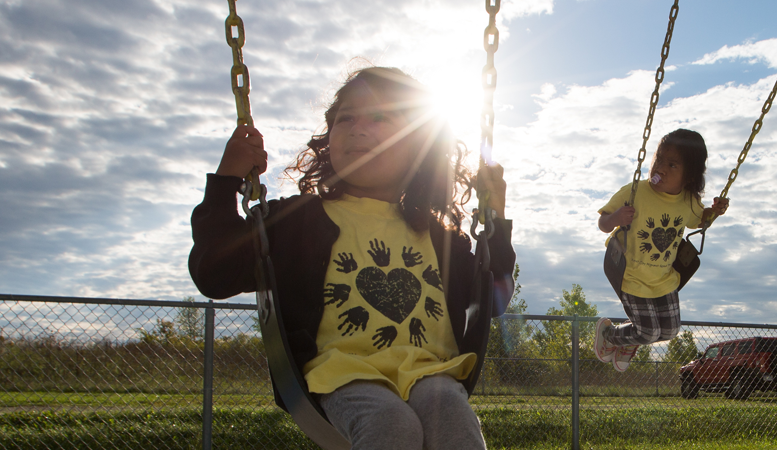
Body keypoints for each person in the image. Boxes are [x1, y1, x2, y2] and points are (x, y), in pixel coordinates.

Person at [189, 66, 514, 450]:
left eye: (379, 118)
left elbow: (494, 296)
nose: (358, 128)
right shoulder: (298, 221)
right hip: (341, 373)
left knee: (455, 423)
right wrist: (228, 180)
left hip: (432, 371)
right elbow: (215, 273)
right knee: (391, 424)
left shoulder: (438, 237)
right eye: (346, 118)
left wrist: (496, 221)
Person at [593, 129, 728, 371]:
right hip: (631, 275)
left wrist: (714, 212)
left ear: (688, 177)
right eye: (659, 160)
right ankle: (610, 335)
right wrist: (615, 217)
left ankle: (627, 341)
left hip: (664, 279)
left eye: (672, 164)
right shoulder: (634, 192)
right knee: (647, 332)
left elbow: (700, 221)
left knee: (670, 330)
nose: (660, 168)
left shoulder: (688, 201)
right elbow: (603, 223)